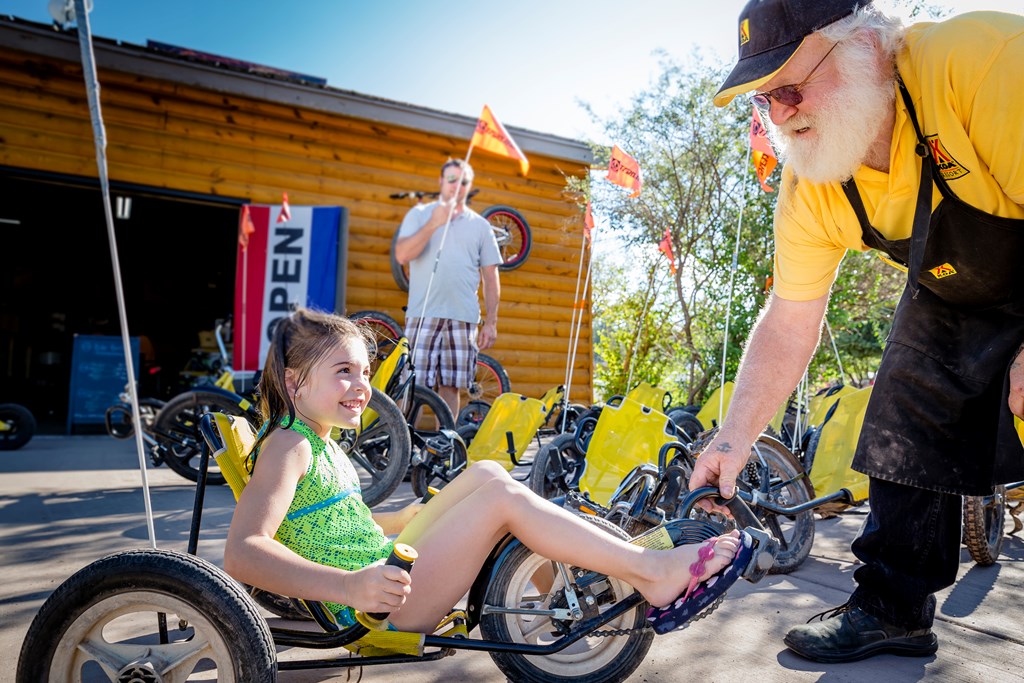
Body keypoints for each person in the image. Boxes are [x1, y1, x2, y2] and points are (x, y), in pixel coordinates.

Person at [692, 0, 1024, 664]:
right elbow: (788, 322)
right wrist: (733, 435)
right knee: (903, 401)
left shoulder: (982, 61)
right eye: (764, 102)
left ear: (867, 48)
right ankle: (892, 607)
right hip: (960, 286)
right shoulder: (813, 183)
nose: (779, 116)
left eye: (788, 87)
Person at [224, 307, 745, 635]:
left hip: (384, 568)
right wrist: (350, 587)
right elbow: (243, 552)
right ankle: (648, 572)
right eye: (343, 372)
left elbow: (328, 524)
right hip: (376, 605)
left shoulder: (321, 443)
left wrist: (404, 516)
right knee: (501, 501)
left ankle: (601, 576)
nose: (362, 385)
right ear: (294, 384)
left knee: (489, 474)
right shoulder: (289, 445)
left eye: (364, 371)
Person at [394, 159, 501, 418]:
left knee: (452, 387)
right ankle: (402, 449)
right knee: (412, 386)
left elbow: (490, 275)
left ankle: (446, 449)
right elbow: (402, 255)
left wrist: (491, 321)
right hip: (423, 315)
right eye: (452, 179)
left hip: (463, 319)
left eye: (463, 181)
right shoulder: (420, 215)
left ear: (470, 186)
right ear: (441, 182)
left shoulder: (481, 226)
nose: (457, 186)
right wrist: (433, 223)